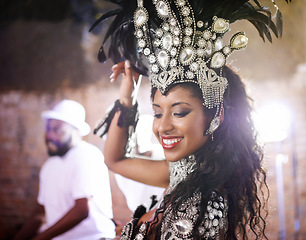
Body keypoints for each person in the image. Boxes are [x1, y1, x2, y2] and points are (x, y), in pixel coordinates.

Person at [92, 0, 290, 239]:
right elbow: (114, 161)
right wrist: (127, 98)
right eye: (157, 113)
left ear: (215, 115)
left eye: (179, 112)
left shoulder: (204, 201)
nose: (163, 127)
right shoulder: (180, 175)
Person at [14, 99, 116, 240]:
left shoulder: (86, 155)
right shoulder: (49, 165)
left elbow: (81, 210)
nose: (49, 135)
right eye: (48, 129)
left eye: (57, 129)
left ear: (76, 130)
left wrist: (40, 238)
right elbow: (40, 212)